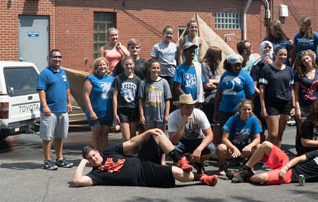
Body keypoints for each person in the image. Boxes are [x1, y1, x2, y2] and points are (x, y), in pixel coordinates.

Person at [71, 128, 218, 187]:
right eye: (90, 159)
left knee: (157, 134)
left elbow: (132, 142)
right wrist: (83, 162)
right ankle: (202, 178)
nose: (94, 158)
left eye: (93, 155)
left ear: (98, 151)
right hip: (144, 175)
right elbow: (77, 180)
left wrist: (147, 132)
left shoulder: (108, 151)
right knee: (177, 173)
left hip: (141, 158)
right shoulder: (96, 175)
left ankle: (179, 160)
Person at [230, 142, 318, 184]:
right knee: (266, 145)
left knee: (261, 177)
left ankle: (244, 176)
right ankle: (245, 169)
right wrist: (285, 167)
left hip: (290, 176)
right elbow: (299, 159)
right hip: (288, 163)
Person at [36, 49, 74, 170]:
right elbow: (41, 90)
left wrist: (69, 102)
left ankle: (60, 159)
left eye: (59, 57)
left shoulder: (62, 72)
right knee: (47, 137)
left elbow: (67, 87)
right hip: (50, 111)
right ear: (49, 58)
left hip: (62, 110)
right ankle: (47, 160)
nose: (57, 59)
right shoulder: (44, 73)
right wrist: (45, 106)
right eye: (55, 57)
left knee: (59, 136)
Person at [257, 46, 295, 147]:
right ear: (274, 55)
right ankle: (263, 154)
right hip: (271, 104)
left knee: (280, 134)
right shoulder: (266, 69)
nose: (283, 57)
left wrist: (294, 106)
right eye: (280, 54)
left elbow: (292, 89)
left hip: (286, 104)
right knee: (273, 134)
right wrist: (263, 107)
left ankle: (276, 157)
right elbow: (262, 89)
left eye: (285, 55)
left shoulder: (289, 70)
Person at [167, 93, 216, 170]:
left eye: (192, 106)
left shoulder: (199, 114)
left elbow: (210, 135)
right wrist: (183, 124)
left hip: (197, 140)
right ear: (180, 106)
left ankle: (197, 162)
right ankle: (182, 162)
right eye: (187, 107)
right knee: (170, 149)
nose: (190, 109)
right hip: (181, 142)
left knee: (211, 148)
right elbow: (173, 141)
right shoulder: (173, 116)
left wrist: (199, 149)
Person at [214, 53, 256, 134]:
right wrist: (216, 110)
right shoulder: (225, 75)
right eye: (235, 65)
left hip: (239, 112)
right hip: (224, 111)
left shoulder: (246, 76)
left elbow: (251, 95)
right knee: (224, 134)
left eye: (240, 65)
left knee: (237, 133)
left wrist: (249, 110)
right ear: (229, 65)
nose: (238, 67)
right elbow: (219, 93)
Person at [217, 99, 262, 174]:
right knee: (221, 147)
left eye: (249, 109)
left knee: (259, 147)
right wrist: (233, 148)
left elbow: (258, 139)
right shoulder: (233, 119)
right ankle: (223, 166)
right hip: (231, 149)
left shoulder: (253, 120)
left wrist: (250, 145)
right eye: (244, 109)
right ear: (240, 109)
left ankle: (248, 165)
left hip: (244, 149)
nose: (247, 111)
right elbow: (224, 138)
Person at [83, 57, 115, 150]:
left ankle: (103, 158)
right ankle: (94, 157)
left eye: (104, 64)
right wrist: (91, 111)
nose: (102, 66)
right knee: (96, 136)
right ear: (96, 67)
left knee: (105, 135)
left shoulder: (112, 79)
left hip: (108, 113)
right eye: (99, 65)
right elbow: (86, 96)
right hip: (95, 112)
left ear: (107, 66)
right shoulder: (91, 79)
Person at [292, 49, 318, 125]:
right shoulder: (298, 74)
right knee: (302, 131)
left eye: (307, 58)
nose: (306, 61)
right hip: (303, 106)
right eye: (303, 60)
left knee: (317, 128)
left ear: (311, 58)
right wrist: (297, 108)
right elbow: (296, 92)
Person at [112, 56, 142, 142]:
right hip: (123, 110)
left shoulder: (137, 80)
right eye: (127, 64)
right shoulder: (118, 79)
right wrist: (115, 113)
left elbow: (139, 98)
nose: (129, 66)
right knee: (126, 138)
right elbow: (114, 96)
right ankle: (125, 154)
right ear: (123, 65)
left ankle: (132, 155)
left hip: (134, 110)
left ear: (134, 65)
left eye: (130, 64)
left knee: (133, 137)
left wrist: (140, 113)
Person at [138, 60, 172, 130]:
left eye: (158, 68)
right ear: (149, 69)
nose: (156, 70)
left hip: (161, 117)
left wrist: (166, 115)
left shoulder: (164, 82)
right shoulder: (143, 83)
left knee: (160, 137)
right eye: (153, 68)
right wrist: (141, 115)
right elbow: (141, 100)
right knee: (148, 137)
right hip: (148, 116)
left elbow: (167, 100)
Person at [200, 46, 222, 128]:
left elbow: (220, 81)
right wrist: (216, 82)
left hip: (215, 95)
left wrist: (214, 81)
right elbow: (207, 84)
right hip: (207, 98)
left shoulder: (215, 68)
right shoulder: (204, 65)